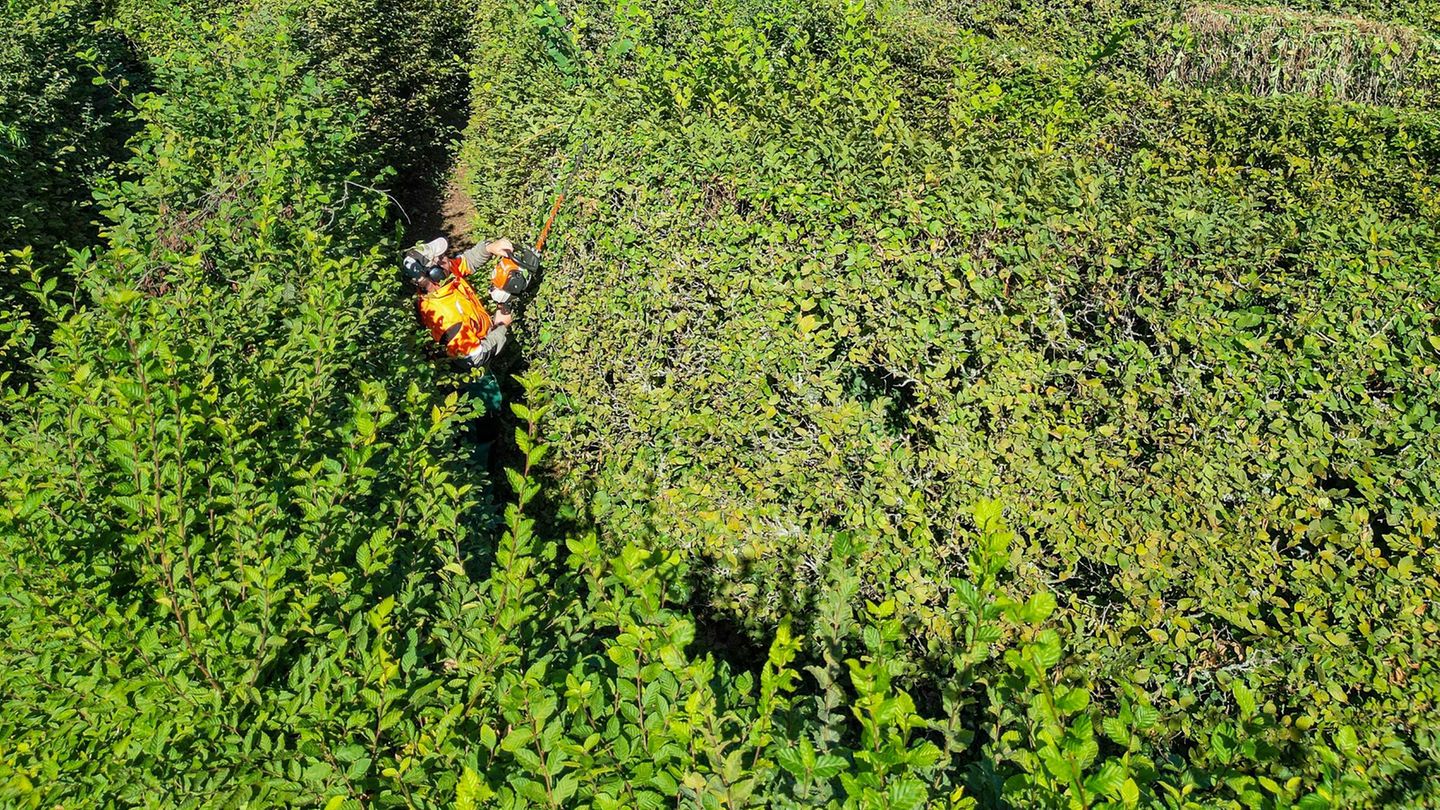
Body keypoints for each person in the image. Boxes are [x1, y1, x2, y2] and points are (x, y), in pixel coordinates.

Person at [402, 236, 519, 367]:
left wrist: (489, 248)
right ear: (434, 273)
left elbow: (466, 262)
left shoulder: (444, 281)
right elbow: (475, 357)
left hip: (485, 338)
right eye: (441, 258)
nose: (447, 258)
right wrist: (501, 325)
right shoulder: (446, 317)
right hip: (474, 373)